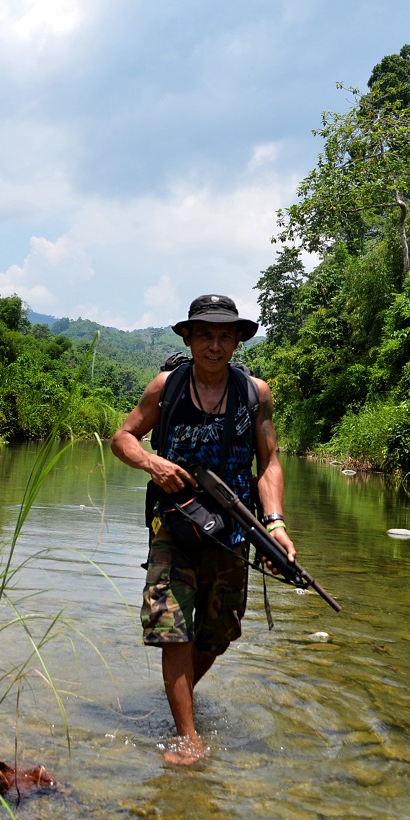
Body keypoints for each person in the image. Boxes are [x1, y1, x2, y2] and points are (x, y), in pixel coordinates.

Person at [110, 294, 296, 765]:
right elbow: (122, 438)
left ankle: (180, 696)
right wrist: (154, 464)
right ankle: (187, 736)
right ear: (188, 338)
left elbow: (269, 461)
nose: (215, 344)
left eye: (224, 335)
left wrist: (274, 524)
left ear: (237, 340)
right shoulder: (165, 388)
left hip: (234, 531)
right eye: (205, 334)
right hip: (173, 525)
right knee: (171, 628)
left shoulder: (256, 393)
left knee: (218, 635)